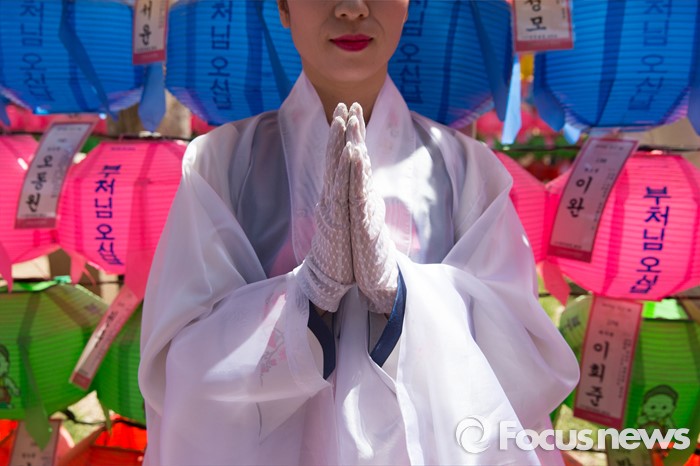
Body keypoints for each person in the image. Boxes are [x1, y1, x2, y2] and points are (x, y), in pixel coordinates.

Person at [139, 1, 580, 464]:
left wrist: (401, 295)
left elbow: (521, 360)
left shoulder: (466, 171)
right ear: (284, 8)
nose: (352, 8)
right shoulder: (220, 165)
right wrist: (307, 301)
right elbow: (178, 367)